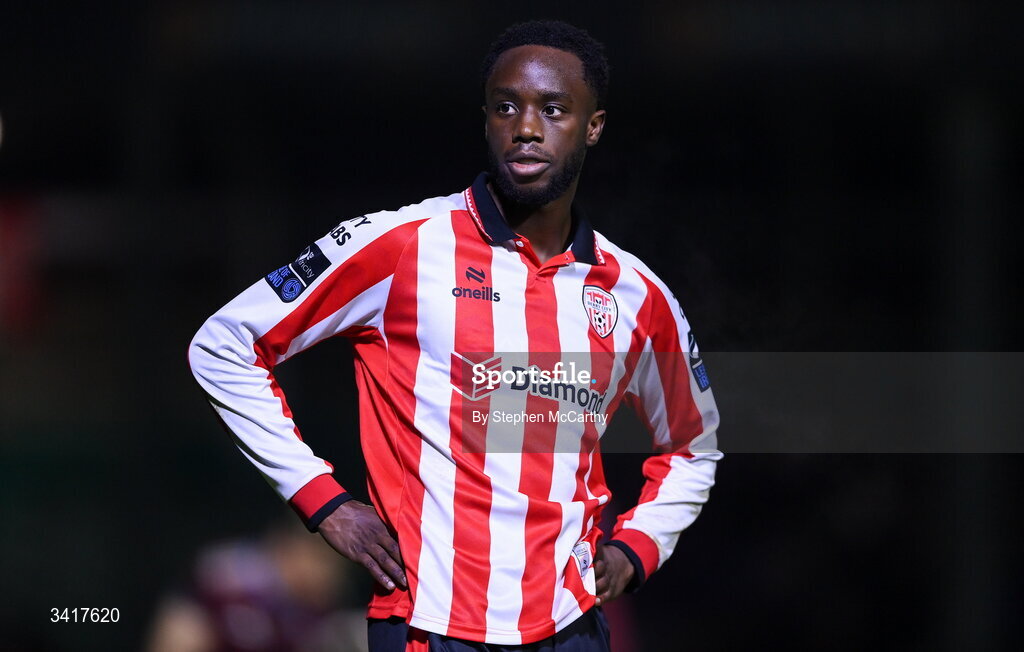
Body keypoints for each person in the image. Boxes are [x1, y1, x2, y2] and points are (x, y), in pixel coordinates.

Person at [190, 20, 721, 651]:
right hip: (426, 627)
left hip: (572, 628)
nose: (526, 127)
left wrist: (638, 548)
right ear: (486, 120)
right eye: (506, 108)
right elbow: (223, 344)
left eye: (553, 109)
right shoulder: (402, 245)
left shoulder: (635, 293)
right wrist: (323, 501)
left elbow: (693, 445)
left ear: (594, 126)